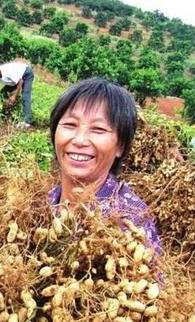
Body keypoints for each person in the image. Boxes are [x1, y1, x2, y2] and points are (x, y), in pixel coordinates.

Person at [47, 78, 161, 254]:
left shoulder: (131, 221)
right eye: (70, 125)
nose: (79, 140)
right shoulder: (41, 201)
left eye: (98, 129)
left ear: (121, 145)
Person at [0, 61, 34, 129]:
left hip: (26, 74)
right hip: (14, 80)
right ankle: (6, 114)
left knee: (25, 96)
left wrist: (14, 96)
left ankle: (27, 121)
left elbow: (20, 81)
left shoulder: (8, 72)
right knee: (2, 94)